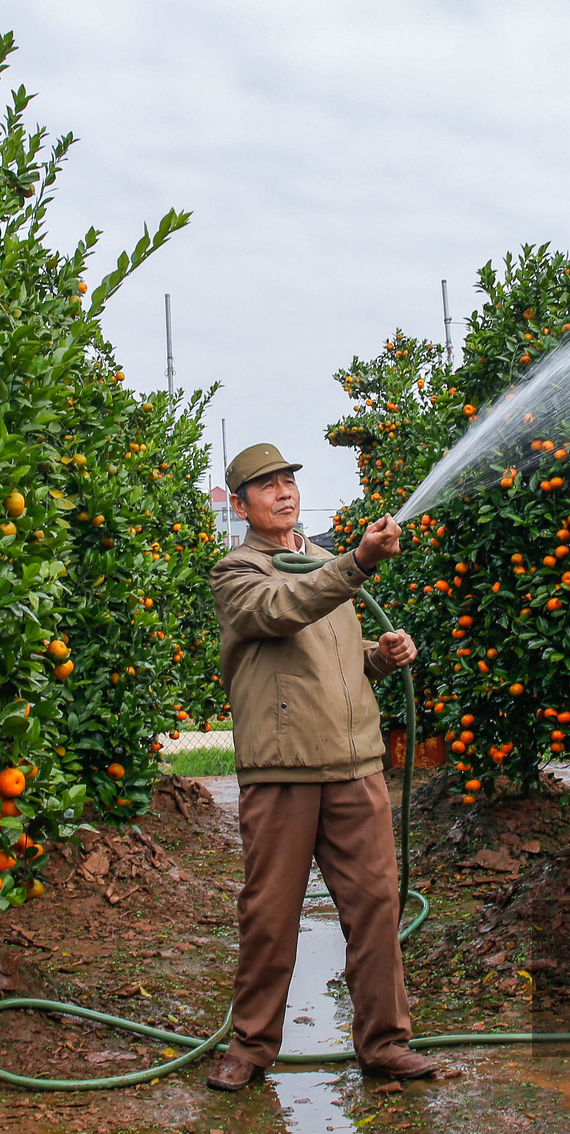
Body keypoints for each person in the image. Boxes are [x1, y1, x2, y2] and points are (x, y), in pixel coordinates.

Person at [201, 442, 440, 1092]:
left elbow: (329, 650)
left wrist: (379, 655)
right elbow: (280, 613)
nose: (283, 491)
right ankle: (250, 1046)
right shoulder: (237, 573)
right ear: (242, 503)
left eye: (288, 480)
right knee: (270, 915)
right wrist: (358, 560)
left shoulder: (317, 564)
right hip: (283, 770)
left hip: (355, 763)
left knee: (375, 908)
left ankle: (386, 1042)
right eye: (266, 485)